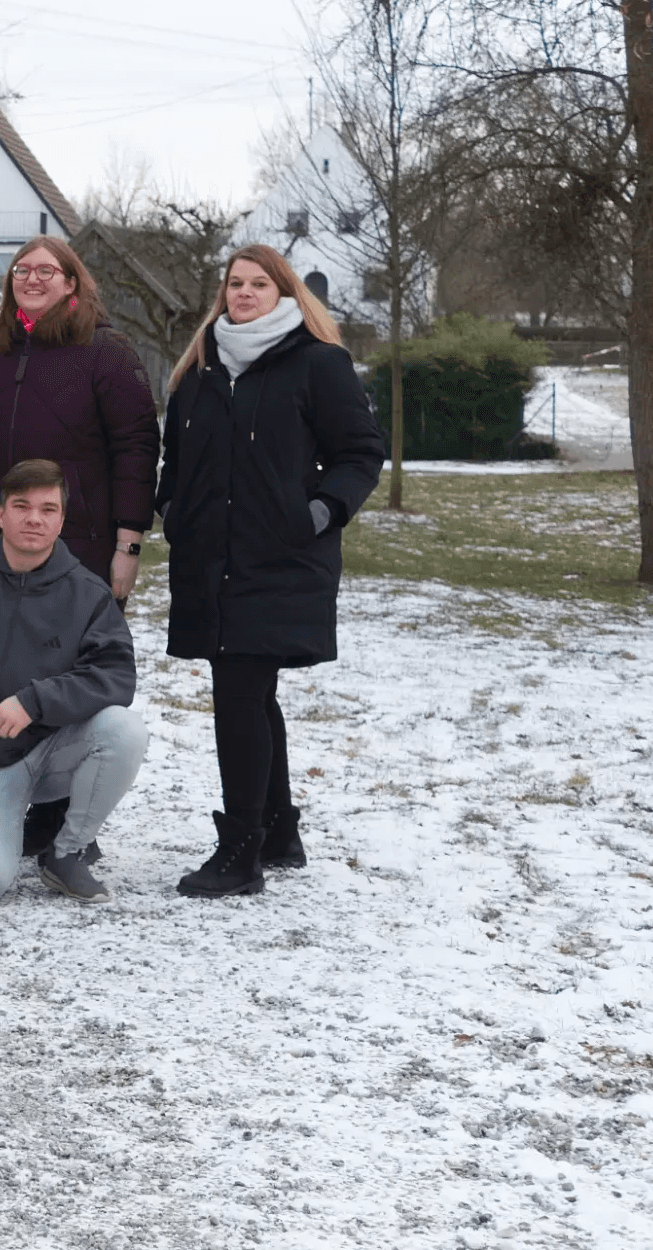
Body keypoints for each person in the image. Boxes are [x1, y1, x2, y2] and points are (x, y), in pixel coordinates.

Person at [158, 244, 384, 898]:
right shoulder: (199, 368)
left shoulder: (318, 362)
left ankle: (240, 852)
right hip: (208, 559)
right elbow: (175, 457)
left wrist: (319, 511)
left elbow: (361, 452)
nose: (244, 292)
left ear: (285, 294)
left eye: (260, 283)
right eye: (235, 282)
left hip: (281, 558)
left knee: (238, 692)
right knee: (251, 692)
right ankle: (278, 830)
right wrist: (171, 509)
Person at [0, 235, 159, 859]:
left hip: (84, 546)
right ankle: (12, 797)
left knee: (70, 675)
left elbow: (137, 448)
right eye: (23, 269)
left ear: (73, 282)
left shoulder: (107, 352)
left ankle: (68, 823)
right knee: (3, 667)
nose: (33, 278)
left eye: (48, 270)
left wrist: (129, 543)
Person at [0, 459, 146, 904]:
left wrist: (35, 701)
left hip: (56, 748)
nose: (34, 519)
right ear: (1, 514)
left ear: (62, 519)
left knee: (124, 731)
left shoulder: (88, 592)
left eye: (48, 509)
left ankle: (67, 851)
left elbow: (116, 675)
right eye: (22, 506)